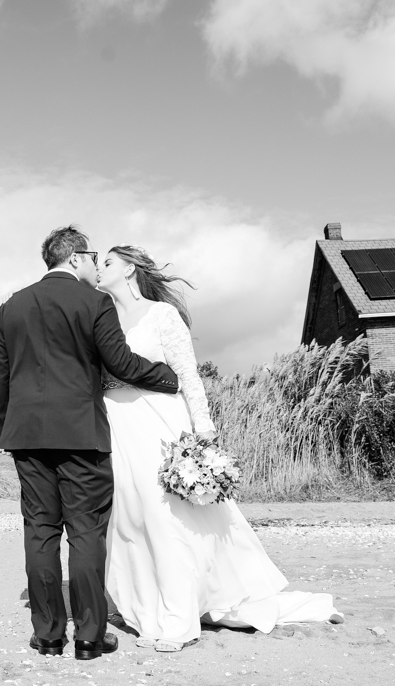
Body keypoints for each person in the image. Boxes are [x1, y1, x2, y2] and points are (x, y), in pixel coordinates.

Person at [96, 244, 343, 653]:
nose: (99, 268)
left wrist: (204, 428)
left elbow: (188, 373)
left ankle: (177, 619)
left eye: (107, 262)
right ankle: (139, 605)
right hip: (116, 427)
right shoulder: (101, 318)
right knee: (127, 518)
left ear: (130, 270)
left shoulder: (161, 315)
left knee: (165, 517)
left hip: (158, 422)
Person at [0, 226, 181, 661]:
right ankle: (90, 636)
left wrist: (4, 430)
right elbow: (120, 361)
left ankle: (49, 635)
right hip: (81, 435)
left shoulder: (10, 307)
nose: (96, 265)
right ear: (74, 259)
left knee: (39, 531)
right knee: (86, 532)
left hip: (27, 439)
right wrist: (168, 378)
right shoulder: (94, 303)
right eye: (92, 257)